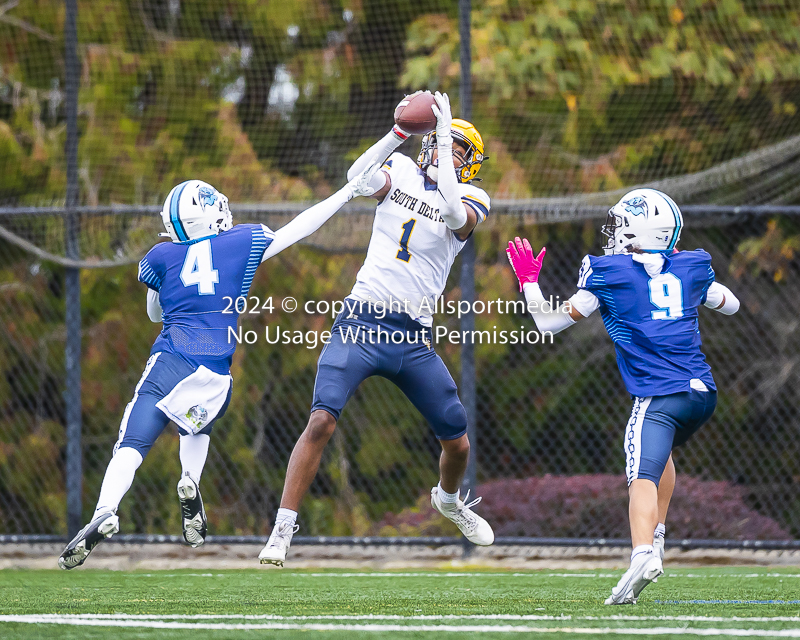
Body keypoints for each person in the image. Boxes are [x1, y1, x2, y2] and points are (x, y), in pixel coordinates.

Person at [58, 163, 382, 570]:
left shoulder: (161, 255)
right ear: (211, 214)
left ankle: (105, 510)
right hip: (217, 369)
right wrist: (346, 193)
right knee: (197, 424)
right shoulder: (240, 242)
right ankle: (190, 479)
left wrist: (169, 281)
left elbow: (154, 314)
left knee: (132, 442)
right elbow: (299, 227)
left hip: (173, 357)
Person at [258, 91, 494, 566]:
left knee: (458, 440)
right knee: (322, 419)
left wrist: (446, 137)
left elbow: (451, 214)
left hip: (411, 336)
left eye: (457, 151)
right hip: (361, 322)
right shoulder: (403, 170)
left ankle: (447, 500)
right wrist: (399, 134)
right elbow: (357, 178)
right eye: (444, 144)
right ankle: (282, 529)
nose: (446, 152)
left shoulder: (472, 197)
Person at [505, 188, 740, 604]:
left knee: (639, 474)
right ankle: (659, 534)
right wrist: (690, 288)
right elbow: (731, 305)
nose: (611, 233)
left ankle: (642, 553)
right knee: (660, 454)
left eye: (619, 226)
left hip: (659, 395)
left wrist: (529, 284)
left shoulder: (607, 271)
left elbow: (548, 324)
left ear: (639, 231)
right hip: (702, 394)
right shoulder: (692, 266)